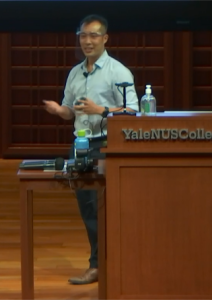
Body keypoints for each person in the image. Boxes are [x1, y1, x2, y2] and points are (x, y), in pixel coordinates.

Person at [43, 14, 139, 284]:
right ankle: (98, 265)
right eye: (83, 35)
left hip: (109, 145)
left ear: (105, 38)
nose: (87, 41)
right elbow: (70, 112)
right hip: (81, 144)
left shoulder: (117, 72)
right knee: (88, 209)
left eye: (93, 35)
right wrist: (59, 110)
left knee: (110, 207)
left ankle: (119, 263)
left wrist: (102, 110)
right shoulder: (75, 72)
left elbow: (133, 111)